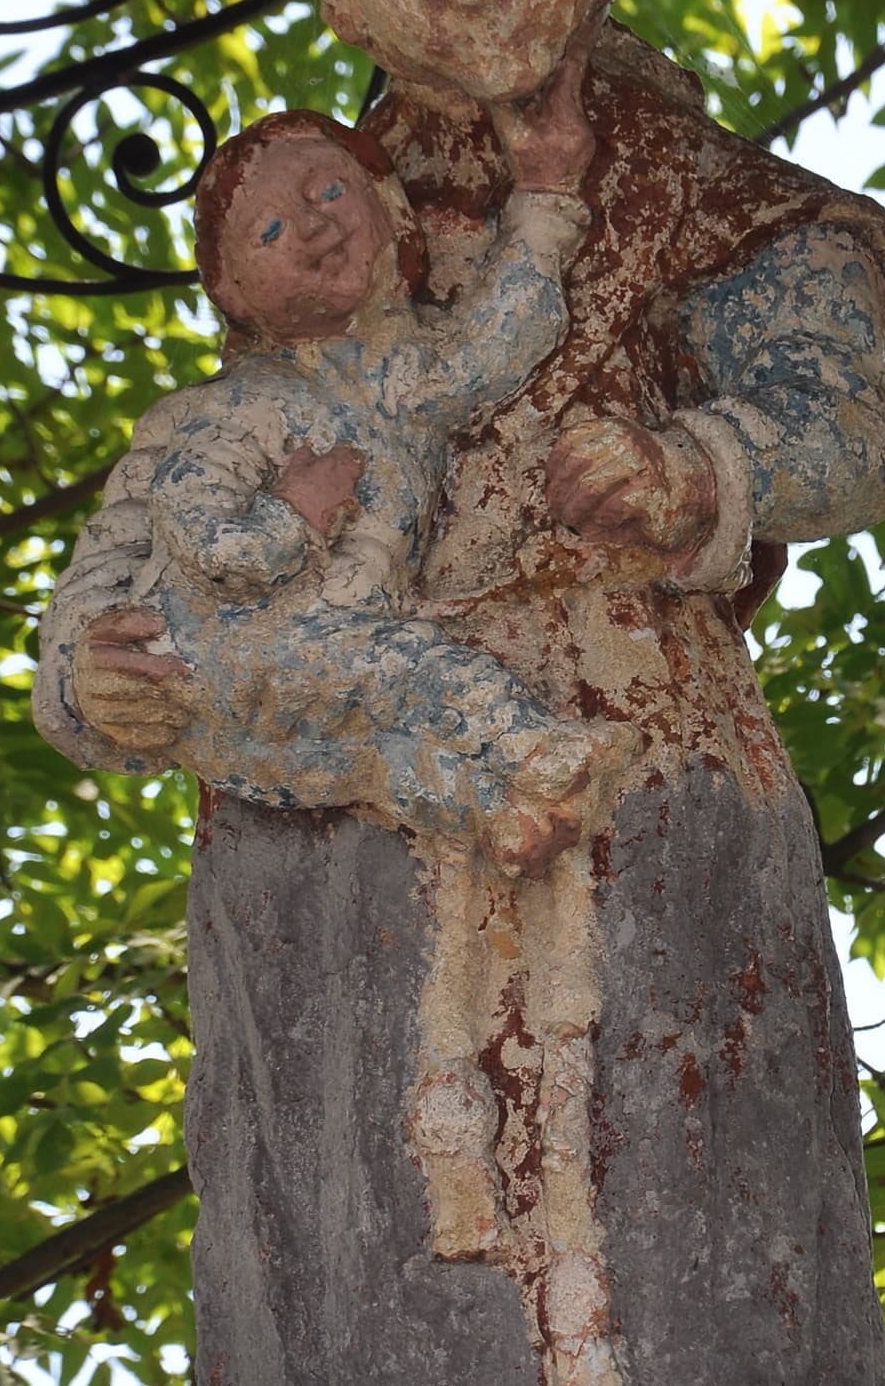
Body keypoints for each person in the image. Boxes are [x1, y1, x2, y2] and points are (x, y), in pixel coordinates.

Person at [35, 0, 885, 1386]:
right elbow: (175, 502)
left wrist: (704, 472)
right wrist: (110, 667)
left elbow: (840, 417)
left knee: (678, 1086)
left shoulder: (722, 206)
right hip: (338, 748)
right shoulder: (302, 229)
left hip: (631, 712)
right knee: (343, 1099)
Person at [34, 104, 625, 879]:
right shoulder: (215, 412)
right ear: (232, 290)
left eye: (330, 193)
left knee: (378, 751)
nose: (312, 228)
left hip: (312, 669)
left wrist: (546, 200)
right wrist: (81, 678)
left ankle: (498, 806)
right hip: (223, 657)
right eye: (270, 233)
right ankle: (530, 754)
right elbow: (113, 560)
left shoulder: (407, 373)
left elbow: (496, 345)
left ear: (387, 205)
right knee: (414, 673)